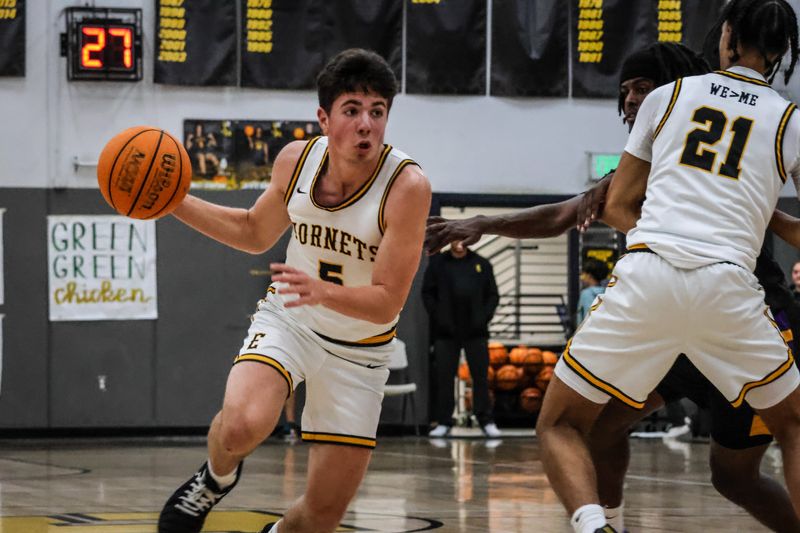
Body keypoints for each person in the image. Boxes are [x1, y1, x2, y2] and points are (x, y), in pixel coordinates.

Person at [425, 38, 800, 533]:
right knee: (597, 426)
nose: (628, 100)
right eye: (623, 90)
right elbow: (564, 213)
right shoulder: (644, 159)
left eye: (641, 88)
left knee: (734, 477)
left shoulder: (701, 142)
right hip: (672, 322)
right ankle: (611, 522)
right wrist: (482, 224)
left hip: (740, 317)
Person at [535, 1, 800, 531]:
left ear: (726, 35)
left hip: (648, 276)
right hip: (729, 287)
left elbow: (615, 206)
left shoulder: (668, 95)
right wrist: (759, 215)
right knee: (794, 427)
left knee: (561, 423)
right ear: (781, 53)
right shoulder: (789, 121)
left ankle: (594, 523)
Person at [157, 48, 431, 533]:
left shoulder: (407, 186)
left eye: (378, 111)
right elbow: (252, 232)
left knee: (320, 517)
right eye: (352, 110)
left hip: (361, 350)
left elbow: (388, 299)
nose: (366, 124)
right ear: (324, 118)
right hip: (292, 320)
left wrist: (324, 292)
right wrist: (174, 203)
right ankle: (215, 479)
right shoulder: (295, 160)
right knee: (240, 426)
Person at [422, 240, 500, 437]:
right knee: (445, 378)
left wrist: (483, 317)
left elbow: (493, 295)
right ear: (450, 241)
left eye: (463, 238)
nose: (459, 243)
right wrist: (439, 317)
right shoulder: (438, 263)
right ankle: (444, 422)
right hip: (446, 332)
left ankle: (485, 420)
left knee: (480, 377)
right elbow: (427, 294)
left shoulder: (482, 264)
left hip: (476, 332)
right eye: (455, 238)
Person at [576, 259, 609, 325]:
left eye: (583, 274)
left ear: (589, 275)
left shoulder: (586, 294)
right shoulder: (607, 292)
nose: (581, 277)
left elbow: (588, 318)